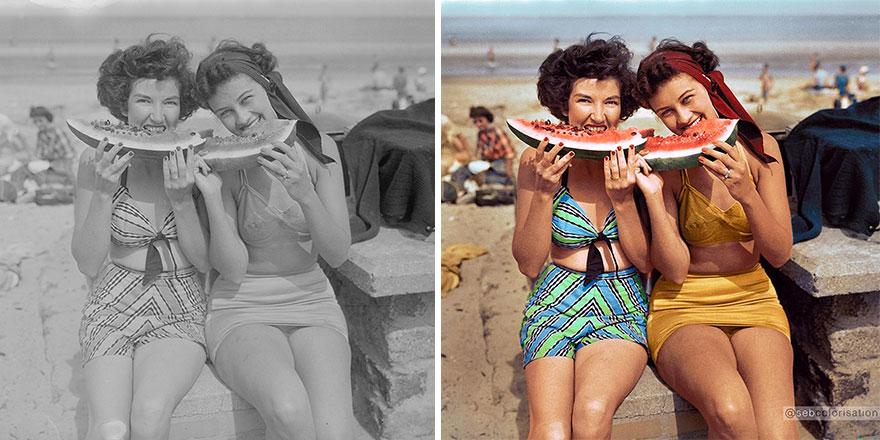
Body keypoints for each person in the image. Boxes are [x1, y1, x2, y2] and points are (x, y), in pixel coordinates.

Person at [633, 39, 796, 438]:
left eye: (689, 99)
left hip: (755, 299)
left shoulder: (762, 151)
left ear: (711, 85)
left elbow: (778, 254)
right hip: (684, 304)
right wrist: (654, 198)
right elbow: (672, 268)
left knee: (780, 433)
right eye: (666, 113)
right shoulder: (668, 165)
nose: (684, 118)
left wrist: (747, 193)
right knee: (730, 410)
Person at [194, 40, 353, 439]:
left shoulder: (321, 152)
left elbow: (336, 254)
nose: (243, 119)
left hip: (314, 302)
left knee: (335, 433)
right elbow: (231, 269)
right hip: (241, 307)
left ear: (271, 87)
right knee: (287, 407)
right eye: (225, 113)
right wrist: (213, 197)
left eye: (248, 100)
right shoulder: (226, 166)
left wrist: (304, 192)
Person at [512, 37, 653, 439]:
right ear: (563, 104)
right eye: (585, 101)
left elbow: (647, 262)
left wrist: (624, 201)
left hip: (621, 304)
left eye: (610, 102)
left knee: (591, 414)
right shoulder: (535, 159)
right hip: (554, 300)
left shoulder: (636, 158)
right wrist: (542, 192)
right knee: (552, 430)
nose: (598, 115)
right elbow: (527, 262)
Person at [71, 36, 210, 440]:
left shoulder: (195, 158)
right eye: (144, 101)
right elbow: (87, 262)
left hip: (179, 306)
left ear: (182, 107)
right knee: (111, 428)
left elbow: (204, 261)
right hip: (113, 302)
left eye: (169, 102)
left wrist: (183, 202)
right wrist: (101, 192)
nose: (157, 115)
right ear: (122, 103)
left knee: (149, 415)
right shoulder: (95, 160)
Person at [469, 105, 516, 182]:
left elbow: (509, 154)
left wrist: (508, 173)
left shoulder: (497, 132)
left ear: (487, 119)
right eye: (475, 122)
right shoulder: (480, 134)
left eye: (480, 121)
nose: (478, 124)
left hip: (501, 164)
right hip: (489, 165)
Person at [30, 105, 76, 179]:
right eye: (35, 122)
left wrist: (68, 170)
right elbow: (39, 153)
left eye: (40, 121)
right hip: (50, 161)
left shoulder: (57, 132)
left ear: (48, 119)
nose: (38, 124)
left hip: (62, 162)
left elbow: (68, 153)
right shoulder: (41, 134)